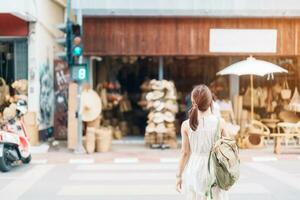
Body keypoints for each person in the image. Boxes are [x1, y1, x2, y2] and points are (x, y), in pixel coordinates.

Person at [176, 85, 228, 200]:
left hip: (194, 168)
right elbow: (227, 149)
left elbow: (185, 153)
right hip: (215, 169)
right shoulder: (221, 123)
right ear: (211, 102)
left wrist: (178, 176)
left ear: (193, 101)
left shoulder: (186, 125)